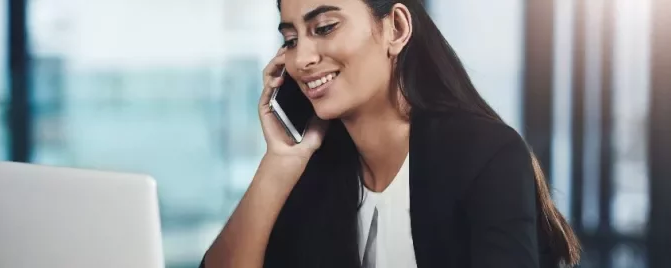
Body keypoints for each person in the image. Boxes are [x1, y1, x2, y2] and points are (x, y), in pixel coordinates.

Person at [201, 0, 581, 267]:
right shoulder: (315, 169)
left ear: (396, 28)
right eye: (291, 38)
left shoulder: (486, 156)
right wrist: (278, 165)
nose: (301, 59)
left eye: (325, 28)